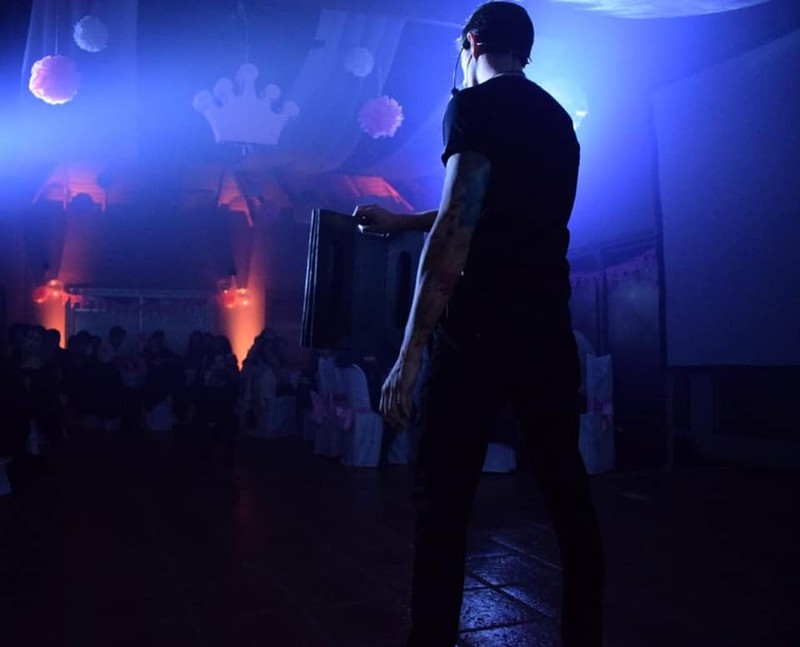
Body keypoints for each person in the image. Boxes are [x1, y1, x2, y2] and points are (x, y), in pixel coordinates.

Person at [353, 3, 604, 645]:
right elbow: (494, 211)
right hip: (545, 325)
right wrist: (402, 221)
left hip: (478, 331)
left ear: (470, 43)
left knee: (443, 501)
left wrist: (410, 351)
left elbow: (458, 228)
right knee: (567, 493)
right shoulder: (557, 119)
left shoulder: (473, 106)